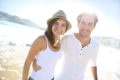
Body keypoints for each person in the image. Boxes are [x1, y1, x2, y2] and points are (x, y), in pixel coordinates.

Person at [22, 10, 71, 80]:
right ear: (51, 25)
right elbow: (27, 62)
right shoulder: (41, 40)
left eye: (63, 25)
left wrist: (35, 61)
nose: (59, 27)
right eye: (56, 23)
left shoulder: (61, 42)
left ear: (65, 29)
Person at [54, 12, 99, 80]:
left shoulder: (96, 45)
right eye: (83, 23)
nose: (85, 27)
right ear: (78, 24)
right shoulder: (66, 39)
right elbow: (51, 53)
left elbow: (93, 63)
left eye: (90, 24)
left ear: (94, 27)